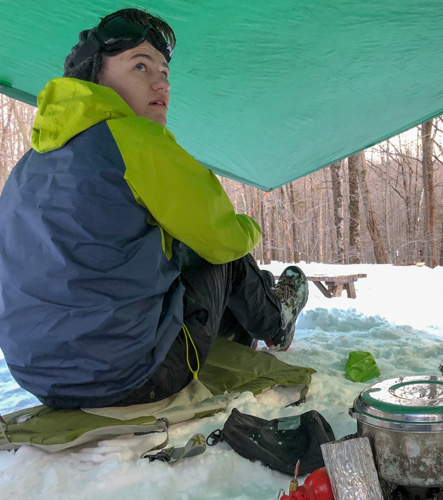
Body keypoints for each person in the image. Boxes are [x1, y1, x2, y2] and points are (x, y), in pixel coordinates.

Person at [0, 8, 309, 409]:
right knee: (216, 253)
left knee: (172, 251)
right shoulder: (134, 138)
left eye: (164, 73)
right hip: (133, 378)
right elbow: (222, 237)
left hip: (40, 379)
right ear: (95, 76)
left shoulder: (30, 164)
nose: (160, 83)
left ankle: (241, 317)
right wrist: (250, 228)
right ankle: (277, 320)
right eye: (140, 66)